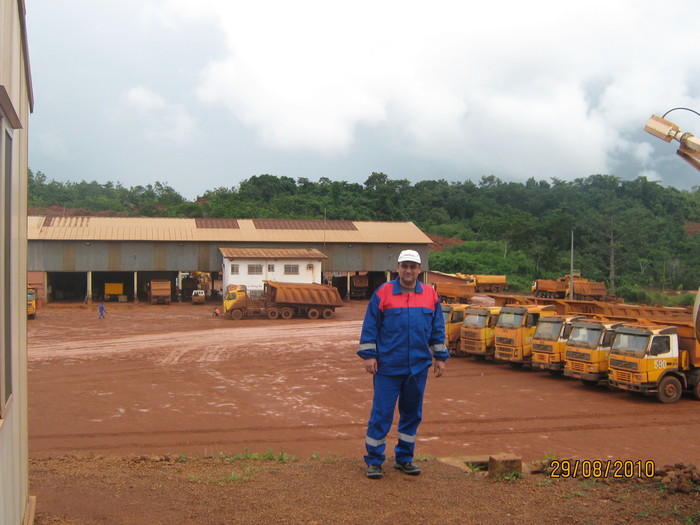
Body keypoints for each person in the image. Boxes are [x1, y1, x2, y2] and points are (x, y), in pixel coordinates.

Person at [357, 249, 448, 479]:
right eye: (404, 266)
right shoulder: (383, 293)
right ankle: (375, 461)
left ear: (420, 269)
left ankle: (404, 459)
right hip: (388, 366)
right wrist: (369, 355)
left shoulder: (430, 295)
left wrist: (440, 357)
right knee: (381, 414)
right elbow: (370, 326)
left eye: (413, 266)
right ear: (397, 268)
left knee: (411, 414)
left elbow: (437, 329)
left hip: (418, 367)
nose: (408, 270)